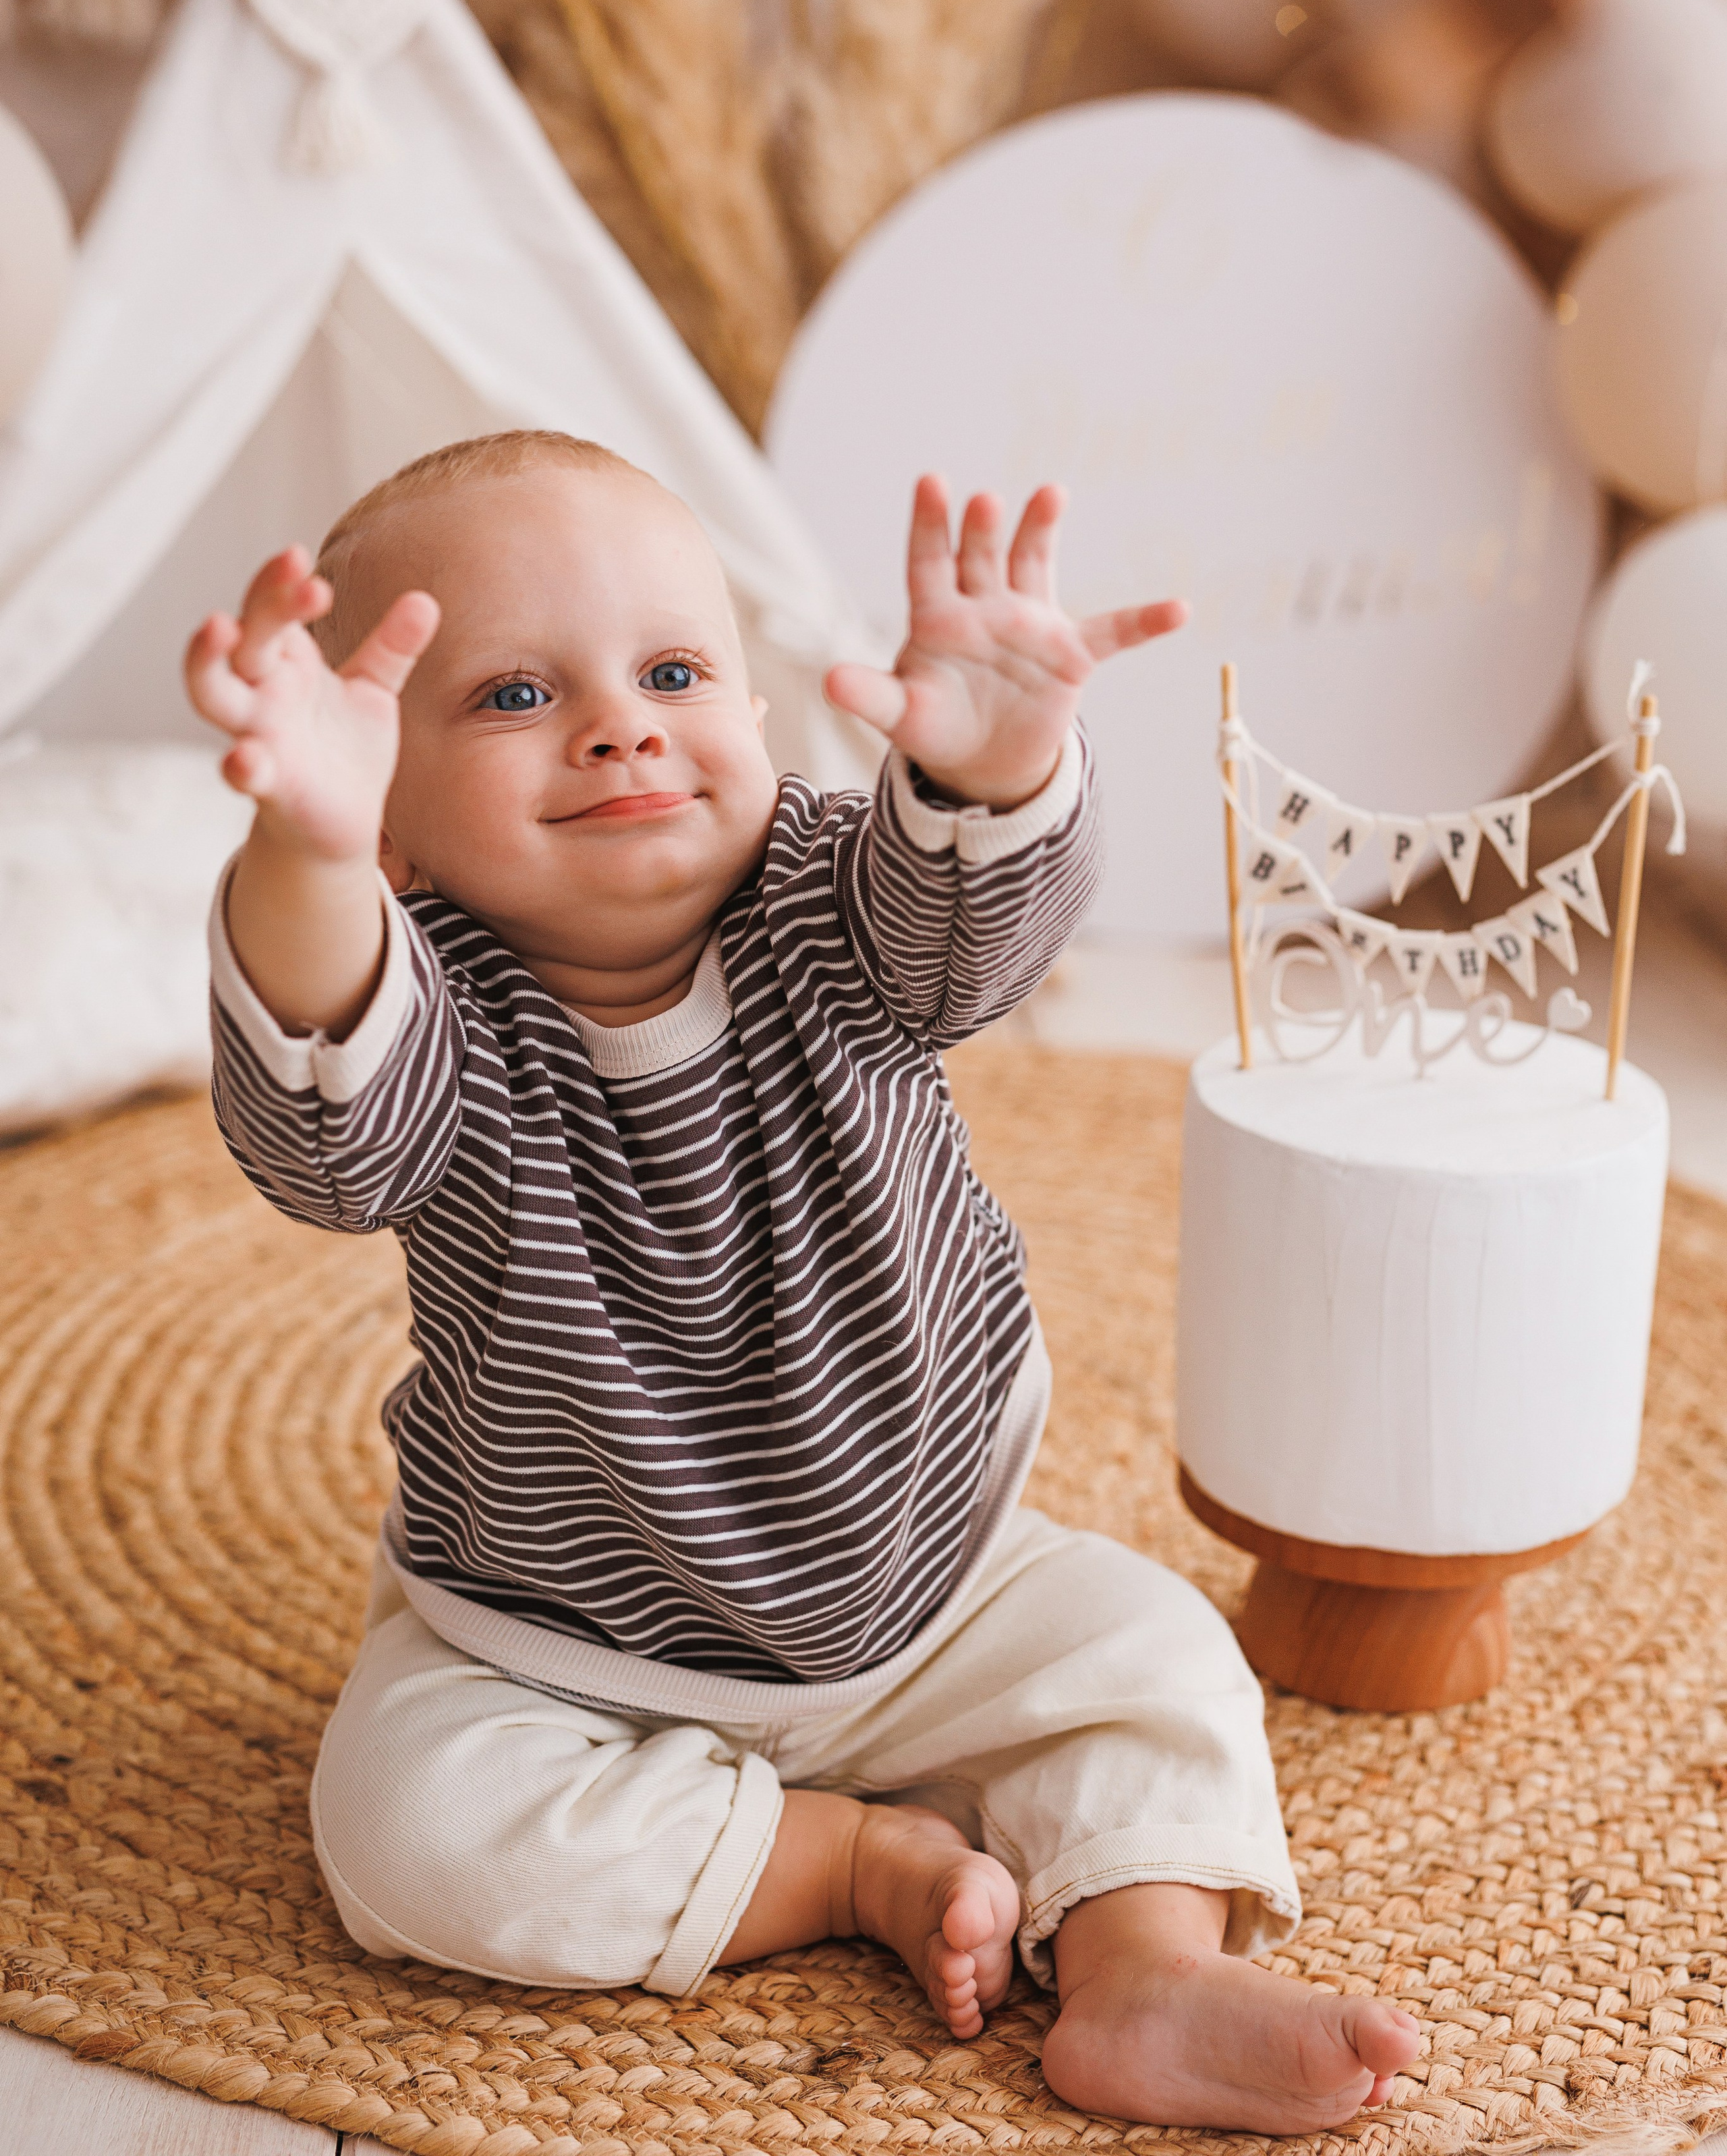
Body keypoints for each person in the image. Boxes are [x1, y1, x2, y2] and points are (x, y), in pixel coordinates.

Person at [186, 430, 1418, 2130]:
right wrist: (307, 863)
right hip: (561, 1636)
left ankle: (1143, 1971)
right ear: (393, 822)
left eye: (672, 673)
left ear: (758, 715)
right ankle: (840, 1862)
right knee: (407, 1831)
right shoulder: (431, 1014)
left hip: (933, 1587)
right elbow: (327, 1150)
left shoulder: (832, 901)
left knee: (1157, 1659)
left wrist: (995, 764)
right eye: (513, 697)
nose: (619, 727)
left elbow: (967, 933)